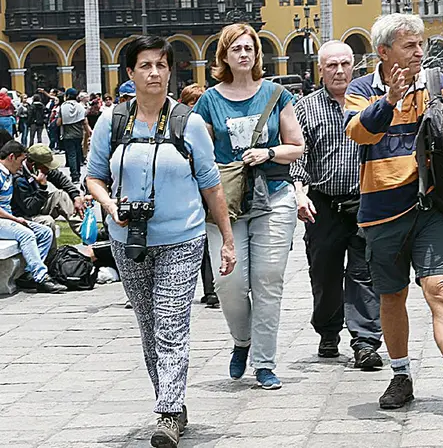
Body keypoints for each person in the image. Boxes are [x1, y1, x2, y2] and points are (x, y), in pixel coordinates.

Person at [86, 35, 236, 448]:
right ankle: (171, 401)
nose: (154, 73)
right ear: (130, 73)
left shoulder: (188, 123)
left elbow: (211, 185)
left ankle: (168, 412)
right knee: (149, 326)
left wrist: (226, 239)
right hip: (128, 239)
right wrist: (109, 205)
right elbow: (94, 176)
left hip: (181, 238)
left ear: (171, 72)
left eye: (161, 65)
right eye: (145, 65)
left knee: (170, 324)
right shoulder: (112, 122)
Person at [345, 13, 443, 416]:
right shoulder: (361, 89)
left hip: (430, 207)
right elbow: (359, 132)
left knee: (442, 290)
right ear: (383, 52)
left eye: (420, 44)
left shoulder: (436, 82)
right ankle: (401, 375)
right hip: (381, 214)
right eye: (409, 45)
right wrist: (389, 101)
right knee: (392, 296)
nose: (419, 51)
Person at [194, 23, 305, 391]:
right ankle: (242, 340)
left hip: (273, 196)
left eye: (249, 48)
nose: (244, 54)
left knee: (268, 280)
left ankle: (264, 362)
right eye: (236, 49)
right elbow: (198, 151)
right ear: (224, 56)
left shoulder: (276, 94)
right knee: (229, 282)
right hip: (227, 202)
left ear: (257, 54)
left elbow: (297, 146)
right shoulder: (209, 101)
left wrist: (268, 153)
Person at [292, 40, 383, 368]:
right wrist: (299, 193)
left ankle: (365, 341)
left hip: (365, 203)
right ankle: (328, 331)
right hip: (324, 205)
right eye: (332, 65)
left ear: (354, 66)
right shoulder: (306, 107)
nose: (339, 71)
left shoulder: (371, 102)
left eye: (345, 64)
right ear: (320, 70)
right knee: (324, 274)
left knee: (364, 273)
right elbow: (299, 155)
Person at [0, 141, 63, 293]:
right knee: (26, 234)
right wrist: (15, 219)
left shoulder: (9, 174)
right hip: (4, 220)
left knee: (45, 232)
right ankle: (41, 278)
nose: (21, 166)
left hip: (8, 220)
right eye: (21, 161)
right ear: (11, 157)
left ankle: (29, 274)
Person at [179, 84, 217, 309]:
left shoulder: (210, 124)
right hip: (187, 189)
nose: (196, 107)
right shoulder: (179, 126)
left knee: (211, 236)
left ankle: (212, 289)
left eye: (199, 102)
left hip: (210, 187)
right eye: (192, 103)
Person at [13, 144, 87, 238]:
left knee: (61, 196)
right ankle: (51, 250)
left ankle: (87, 234)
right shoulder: (19, 178)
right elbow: (30, 209)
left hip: (37, 203)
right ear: (33, 165)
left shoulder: (41, 168)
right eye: (46, 166)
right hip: (23, 214)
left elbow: (60, 179)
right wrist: (42, 187)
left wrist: (76, 196)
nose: (49, 169)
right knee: (48, 221)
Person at [58, 87, 92, 184]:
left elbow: (59, 122)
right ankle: (78, 173)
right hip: (78, 134)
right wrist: (89, 133)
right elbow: (84, 122)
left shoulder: (63, 106)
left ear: (67, 96)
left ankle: (74, 176)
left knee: (71, 155)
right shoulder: (79, 106)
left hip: (67, 134)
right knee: (78, 154)